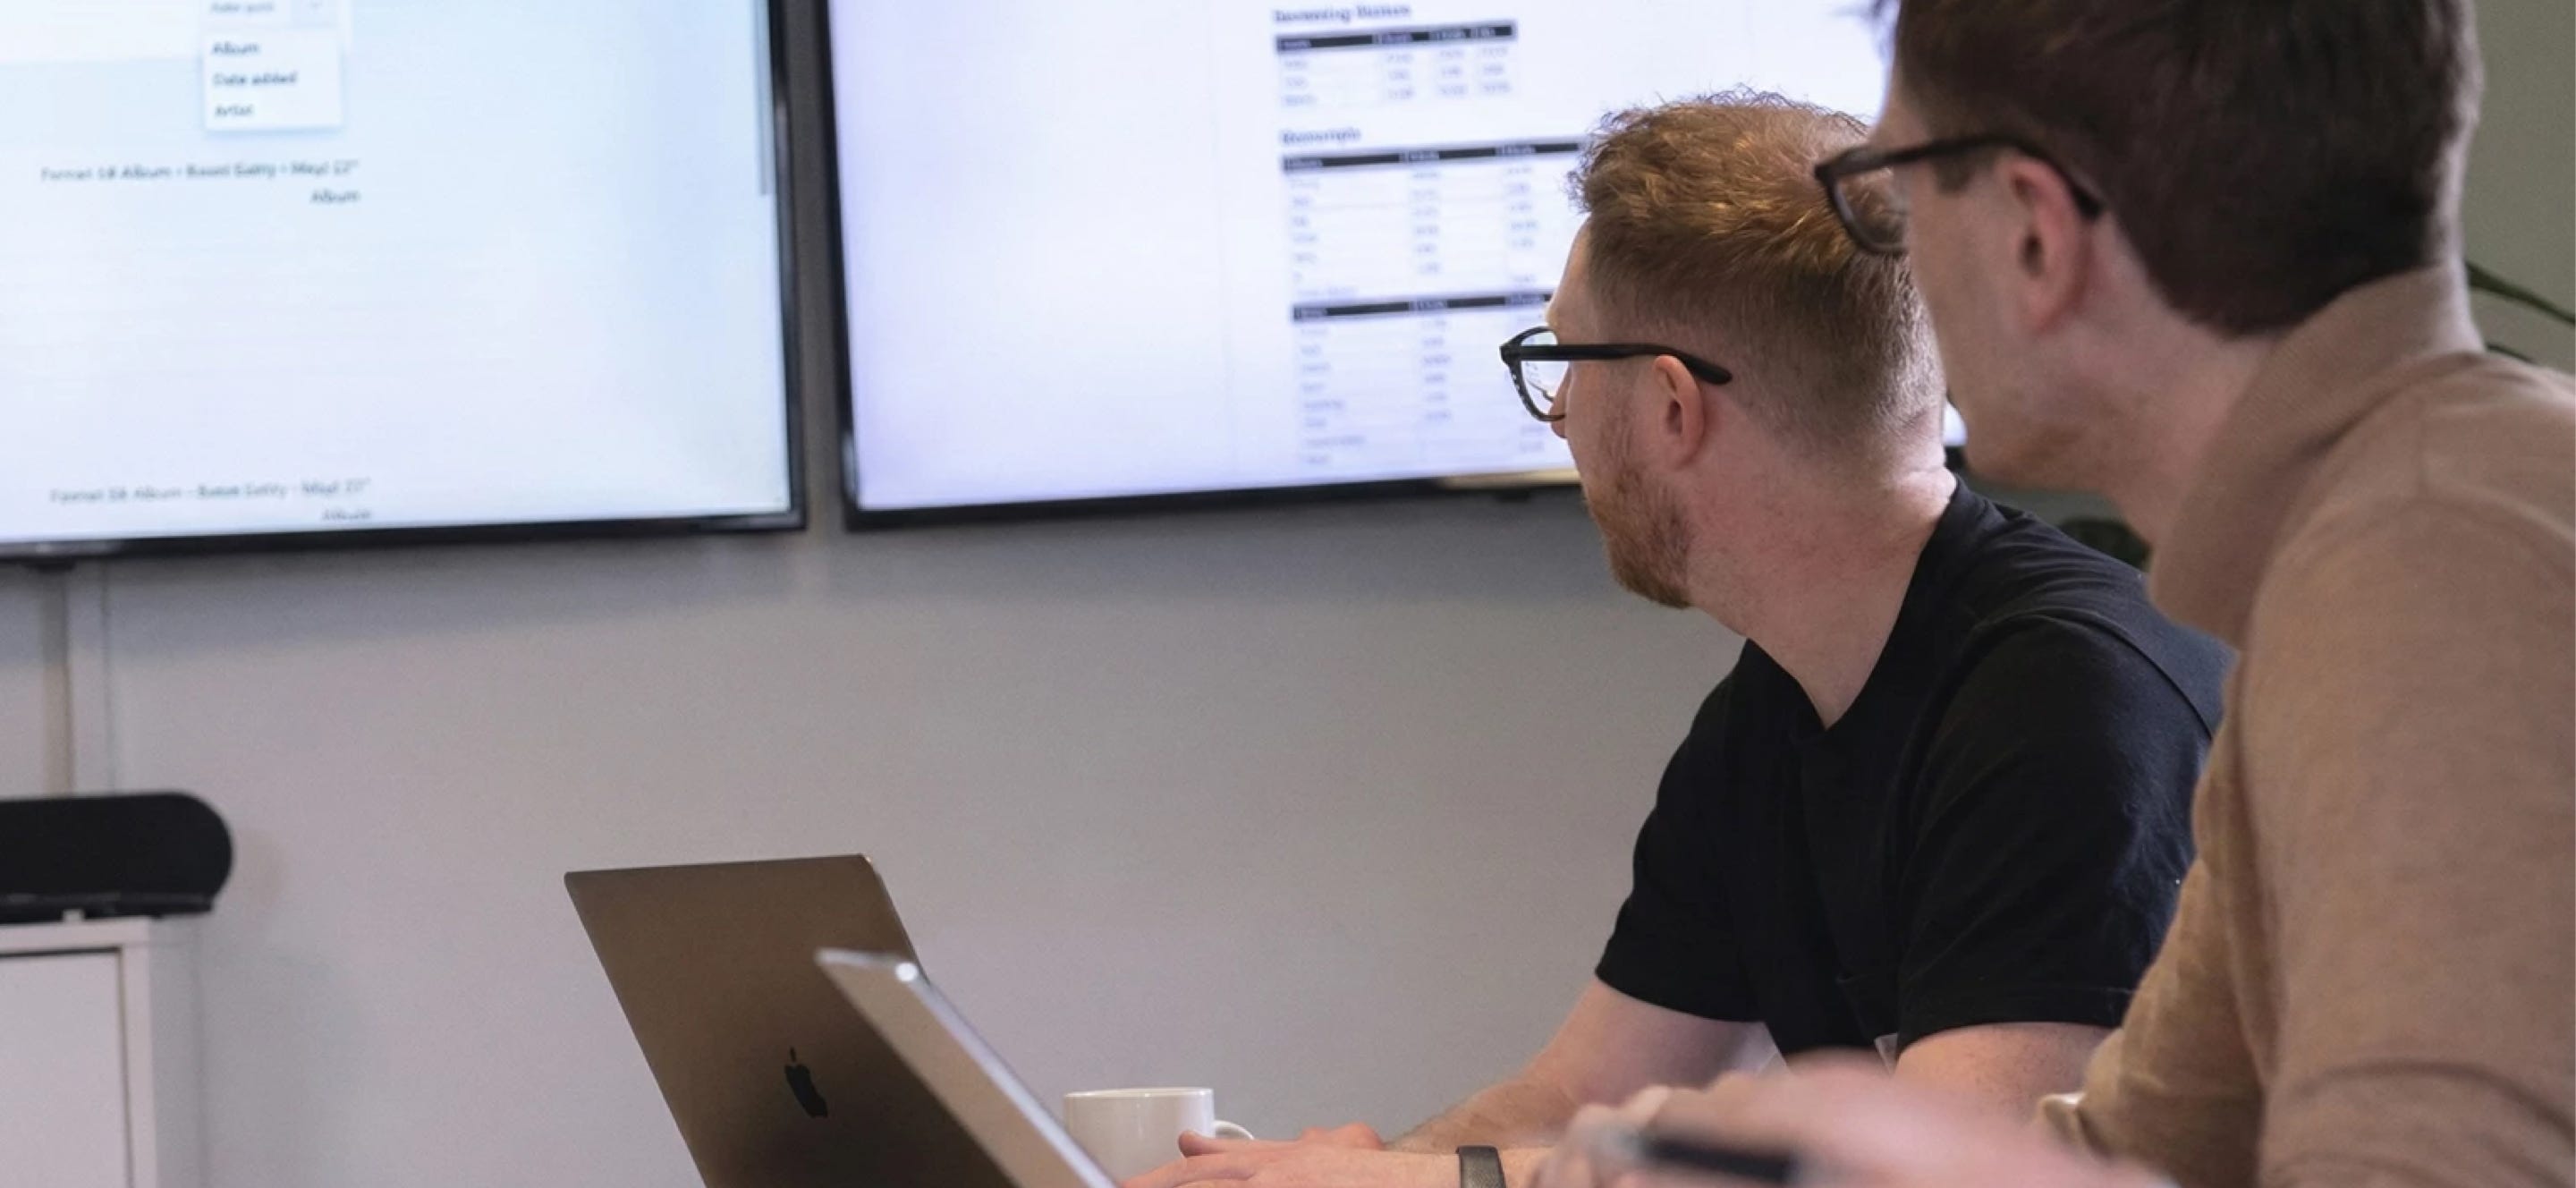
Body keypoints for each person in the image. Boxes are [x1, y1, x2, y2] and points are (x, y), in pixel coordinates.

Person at [1538, 2, 2575, 1187]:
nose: (1891, 264)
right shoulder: (2361, 554)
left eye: (1896, 189)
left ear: (2033, 232)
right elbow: (2138, 1152)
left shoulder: (2435, 555)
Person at [1127, 92, 2229, 1188]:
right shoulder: (1774, 708)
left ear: (1668, 407)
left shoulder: (2067, 711)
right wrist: (1306, 1175)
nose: (1558, 415)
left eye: (1564, 360)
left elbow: (1951, 1173)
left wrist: (1418, 1186)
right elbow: (1576, 1095)